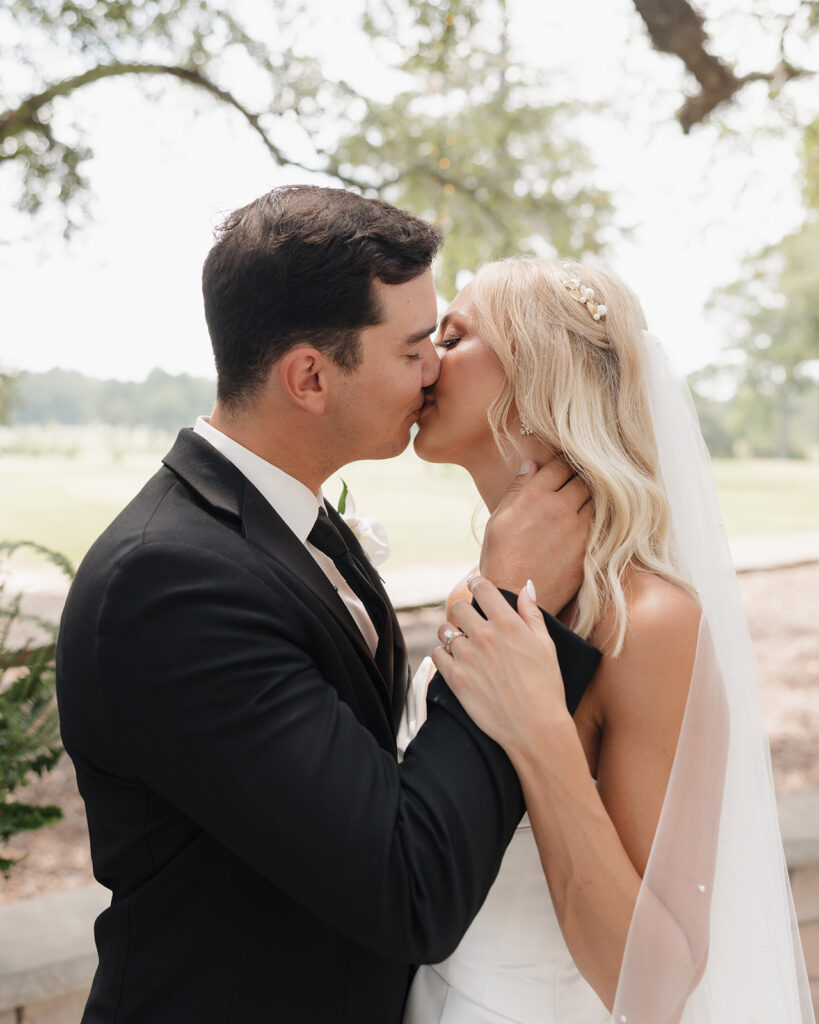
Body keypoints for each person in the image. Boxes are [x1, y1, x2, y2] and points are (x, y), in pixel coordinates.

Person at [55, 187, 602, 1024]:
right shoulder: (168, 583)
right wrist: (501, 606)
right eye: (415, 347)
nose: (435, 370)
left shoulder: (293, 525)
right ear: (310, 376)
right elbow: (408, 888)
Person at [401, 257, 814, 1024]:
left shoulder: (647, 623)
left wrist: (537, 729)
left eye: (453, 337)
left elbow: (655, 989)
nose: (424, 358)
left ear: (537, 376)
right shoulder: (478, 587)